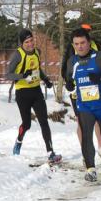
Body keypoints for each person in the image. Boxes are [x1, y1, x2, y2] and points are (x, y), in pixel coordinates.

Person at [66, 27, 101, 182]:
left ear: (89, 43)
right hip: (85, 106)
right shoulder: (72, 61)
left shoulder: (100, 57)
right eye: (76, 44)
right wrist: (69, 85)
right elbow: (68, 79)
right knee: (86, 135)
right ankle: (91, 169)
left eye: (82, 43)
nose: (80, 47)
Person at [6, 29, 61, 163]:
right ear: (22, 43)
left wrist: (46, 80)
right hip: (22, 93)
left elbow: (37, 69)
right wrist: (22, 76)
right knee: (27, 124)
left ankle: (50, 152)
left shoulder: (36, 52)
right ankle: (19, 141)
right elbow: (8, 74)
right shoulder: (18, 55)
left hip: (36, 91)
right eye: (27, 42)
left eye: (31, 41)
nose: (30, 44)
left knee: (44, 121)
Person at [61, 23, 101, 164]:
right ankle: (85, 151)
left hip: (95, 87)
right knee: (82, 122)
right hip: (78, 89)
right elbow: (65, 66)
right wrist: (68, 81)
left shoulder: (97, 45)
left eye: (86, 33)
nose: (81, 42)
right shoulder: (72, 48)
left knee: (98, 119)